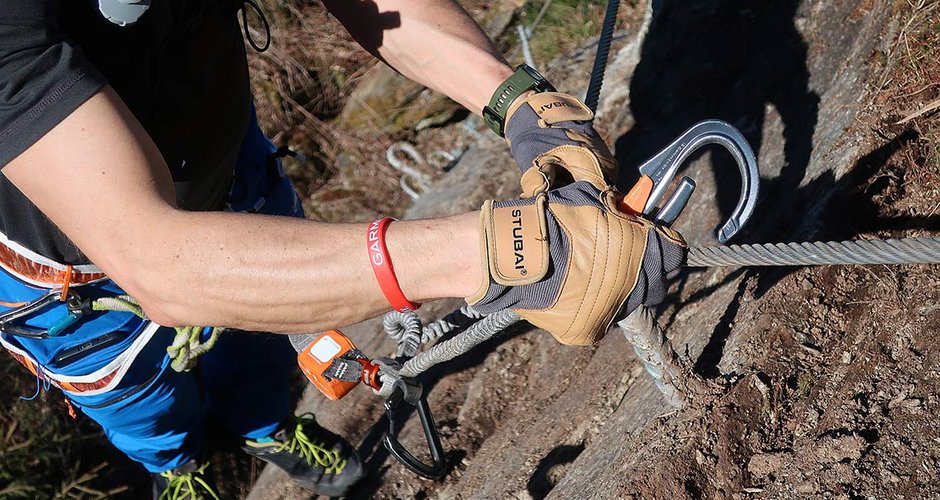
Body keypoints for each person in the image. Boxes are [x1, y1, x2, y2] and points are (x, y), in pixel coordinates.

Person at [0, 0, 686, 498]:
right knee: (140, 399)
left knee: (264, 347)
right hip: (71, 277)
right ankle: (176, 472)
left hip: (224, 173)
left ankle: (267, 428)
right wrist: (509, 252)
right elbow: (159, 263)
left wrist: (514, 100)